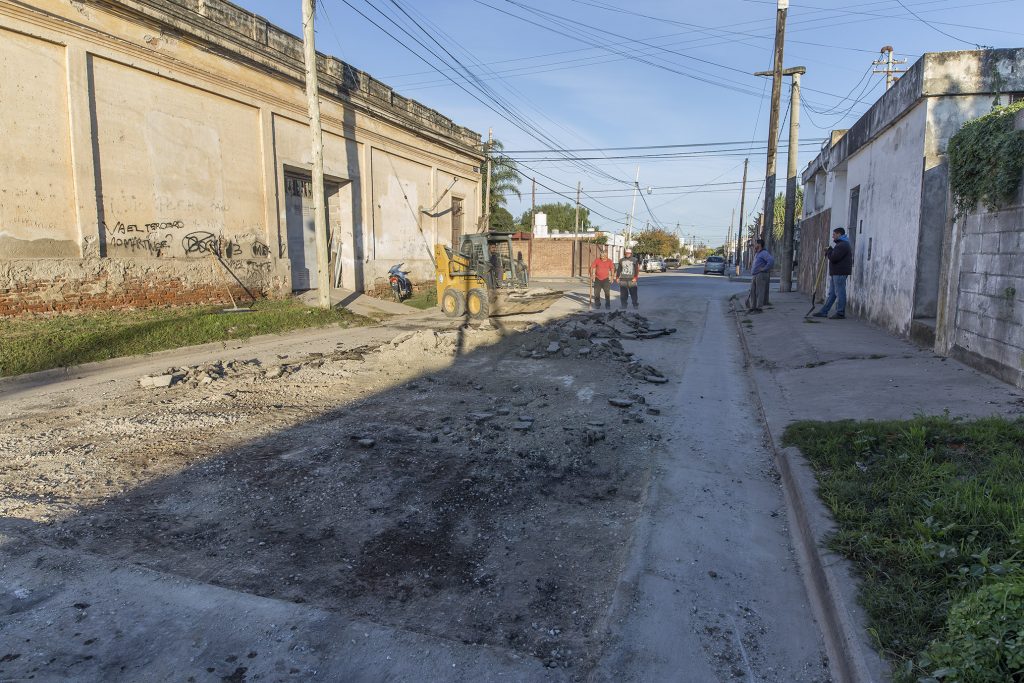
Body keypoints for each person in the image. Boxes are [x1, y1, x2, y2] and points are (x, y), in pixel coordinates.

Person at [813, 227, 854, 319]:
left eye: (834, 234)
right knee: (832, 293)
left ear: (839, 234)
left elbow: (834, 258)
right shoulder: (841, 244)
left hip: (840, 273)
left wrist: (829, 251)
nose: (832, 236)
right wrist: (830, 250)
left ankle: (840, 313)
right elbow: (834, 256)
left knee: (839, 292)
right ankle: (824, 311)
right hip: (836, 272)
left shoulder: (843, 245)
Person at [747, 239, 774, 313]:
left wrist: (764, 268)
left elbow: (771, 261)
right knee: (753, 292)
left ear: (759, 244)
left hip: (760, 275)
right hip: (755, 275)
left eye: (755, 244)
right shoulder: (757, 253)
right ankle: (753, 307)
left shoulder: (764, 253)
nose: (754, 245)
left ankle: (759, 308)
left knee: (759, 292)